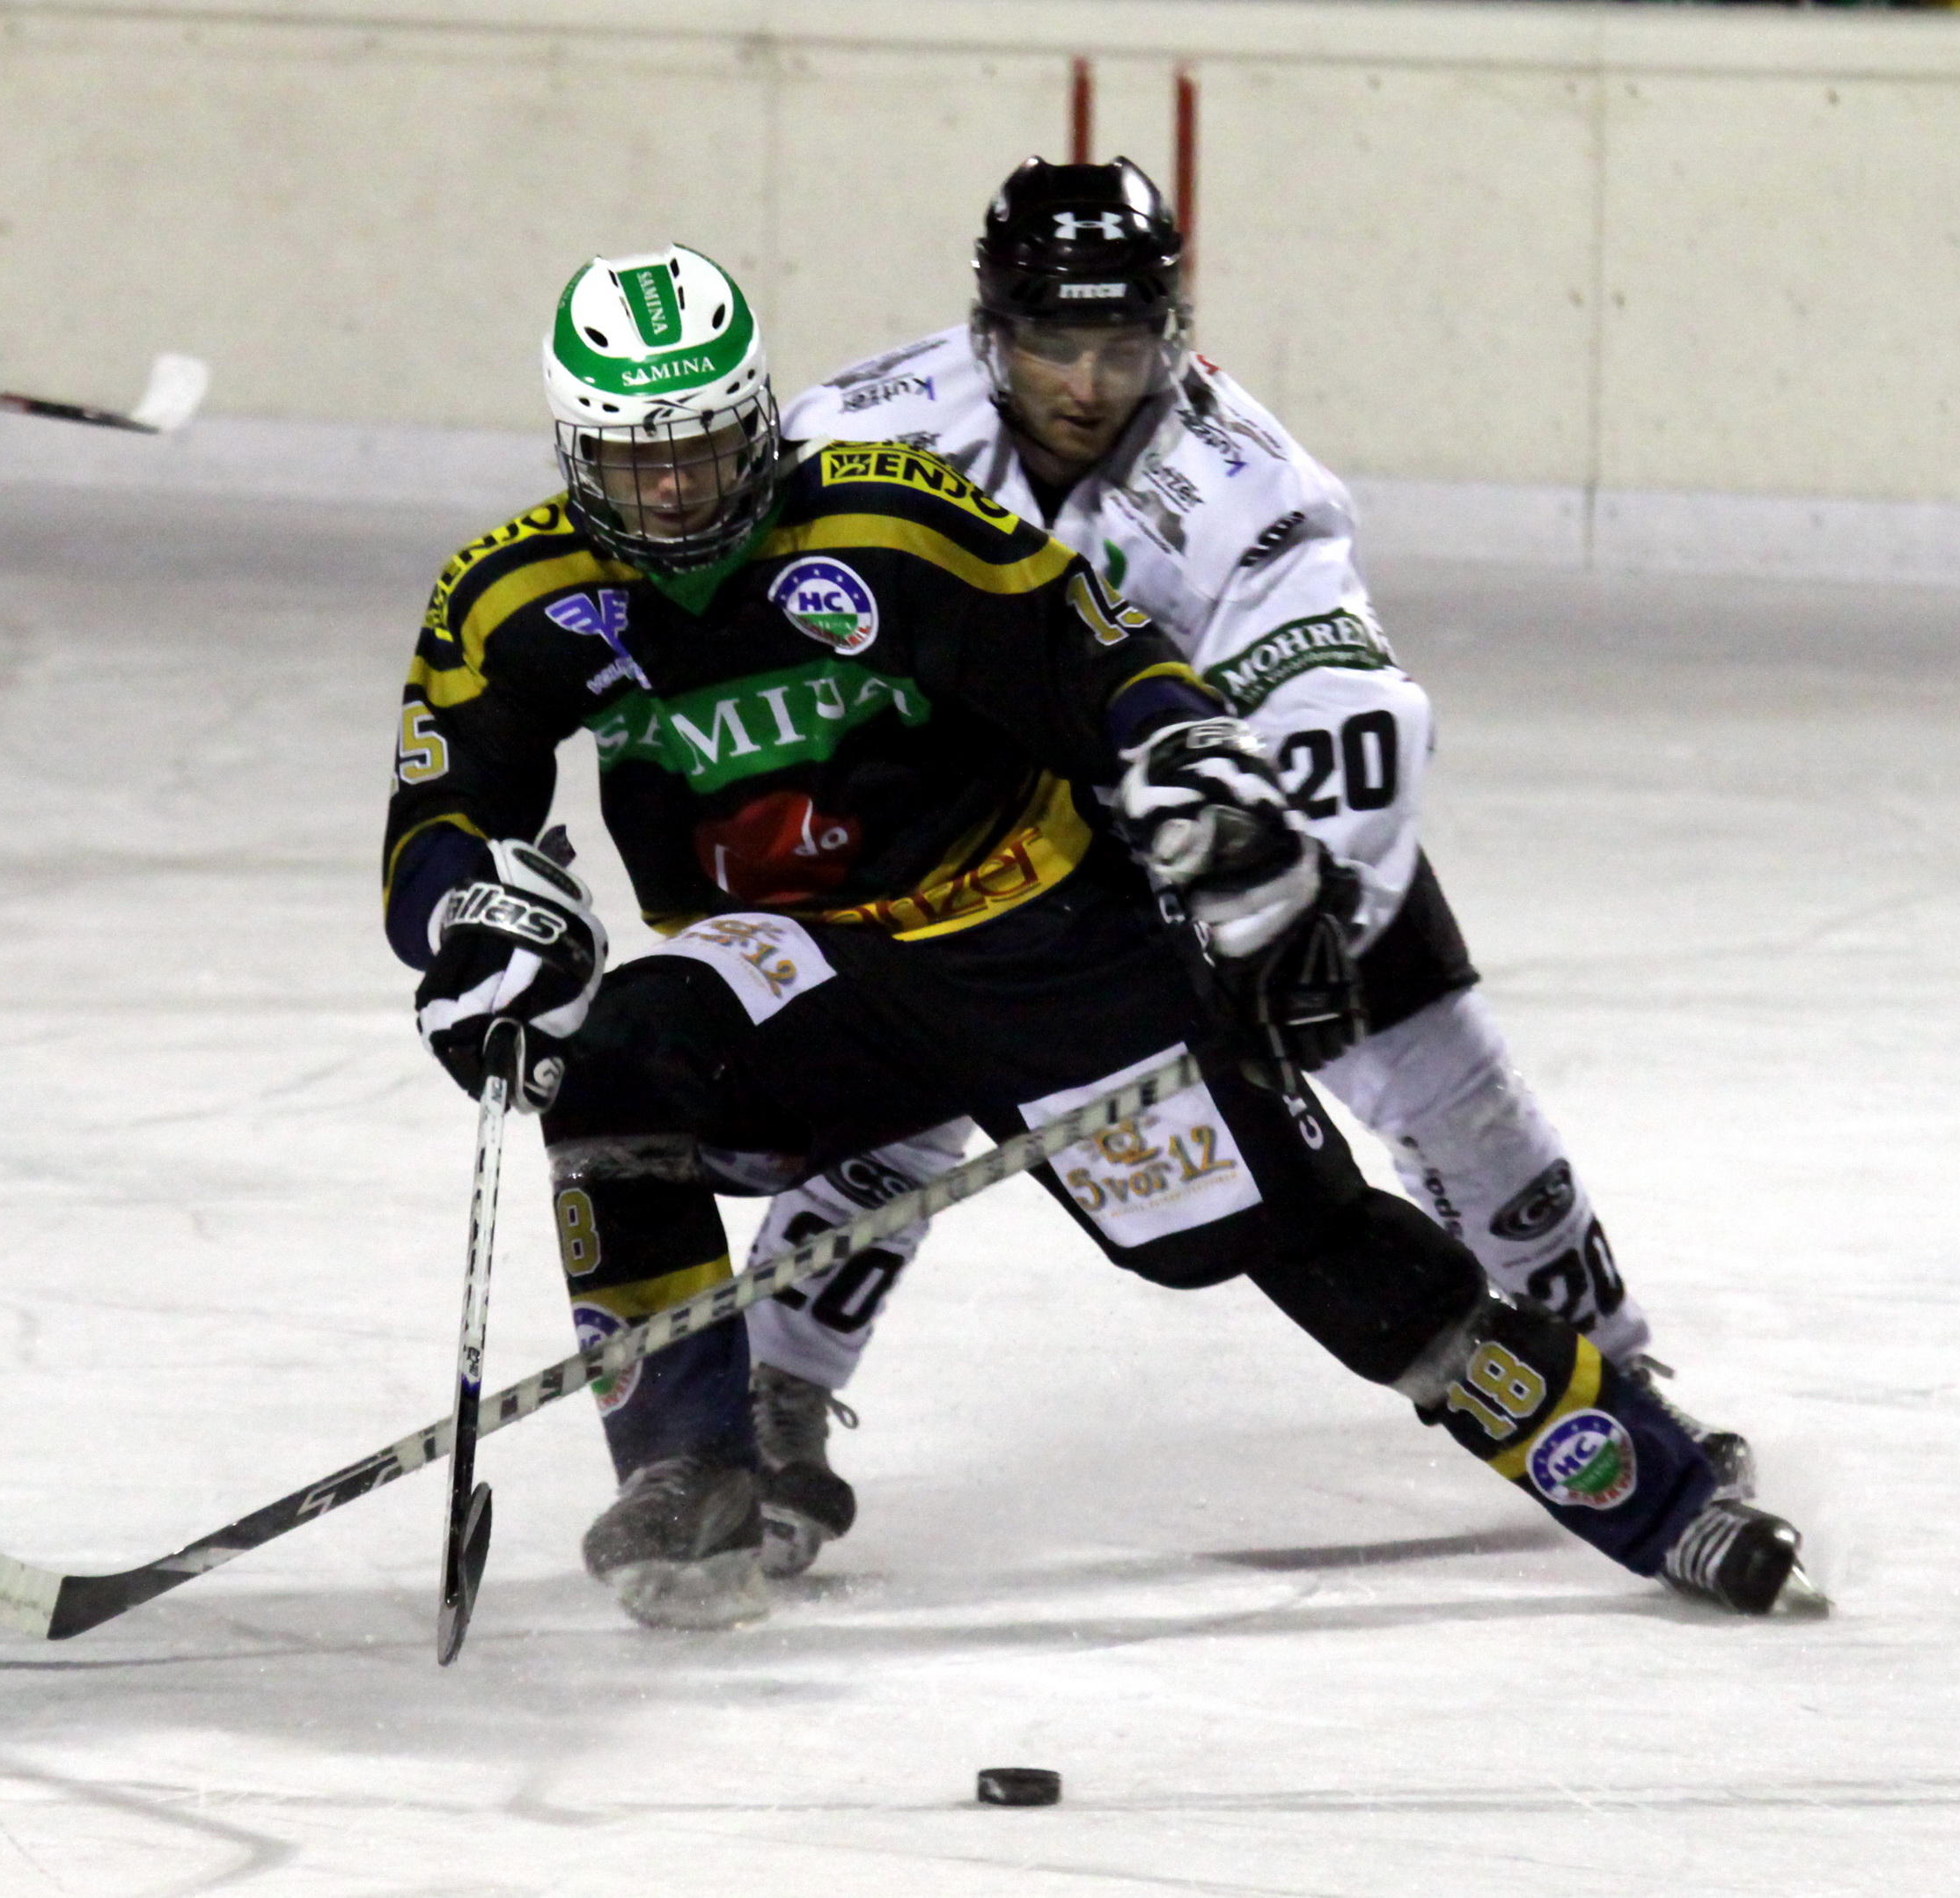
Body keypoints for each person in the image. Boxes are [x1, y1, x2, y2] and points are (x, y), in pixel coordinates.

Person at [382, 241, 1816, 1631]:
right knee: (613, 1060)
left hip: (1041, 932)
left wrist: (1197, 775)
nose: (676, 488)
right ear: (575, 450)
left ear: (755, 419)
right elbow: (438, 812)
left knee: (1291, 1234)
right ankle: (690, 1472)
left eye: (703, 447)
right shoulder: (508, 596)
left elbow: (1102, 656)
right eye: (635, 459)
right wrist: (468, 930)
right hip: (804, 967)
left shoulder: (890, 517)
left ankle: (1654, 1488)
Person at [741, 157, 1746, 1577]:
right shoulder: (855, 433)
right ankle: (766, 1401)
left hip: (1212, 828)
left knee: (1450, 1084)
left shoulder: (1242, 481)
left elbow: (1341, 705)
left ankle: (1611, 1369)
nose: (1087, 385)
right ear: (988, 329)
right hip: (968, 835)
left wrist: (1300, 913)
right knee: (894, 1099)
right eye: (1051, 344)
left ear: (1171, 330)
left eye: (1121, 345)